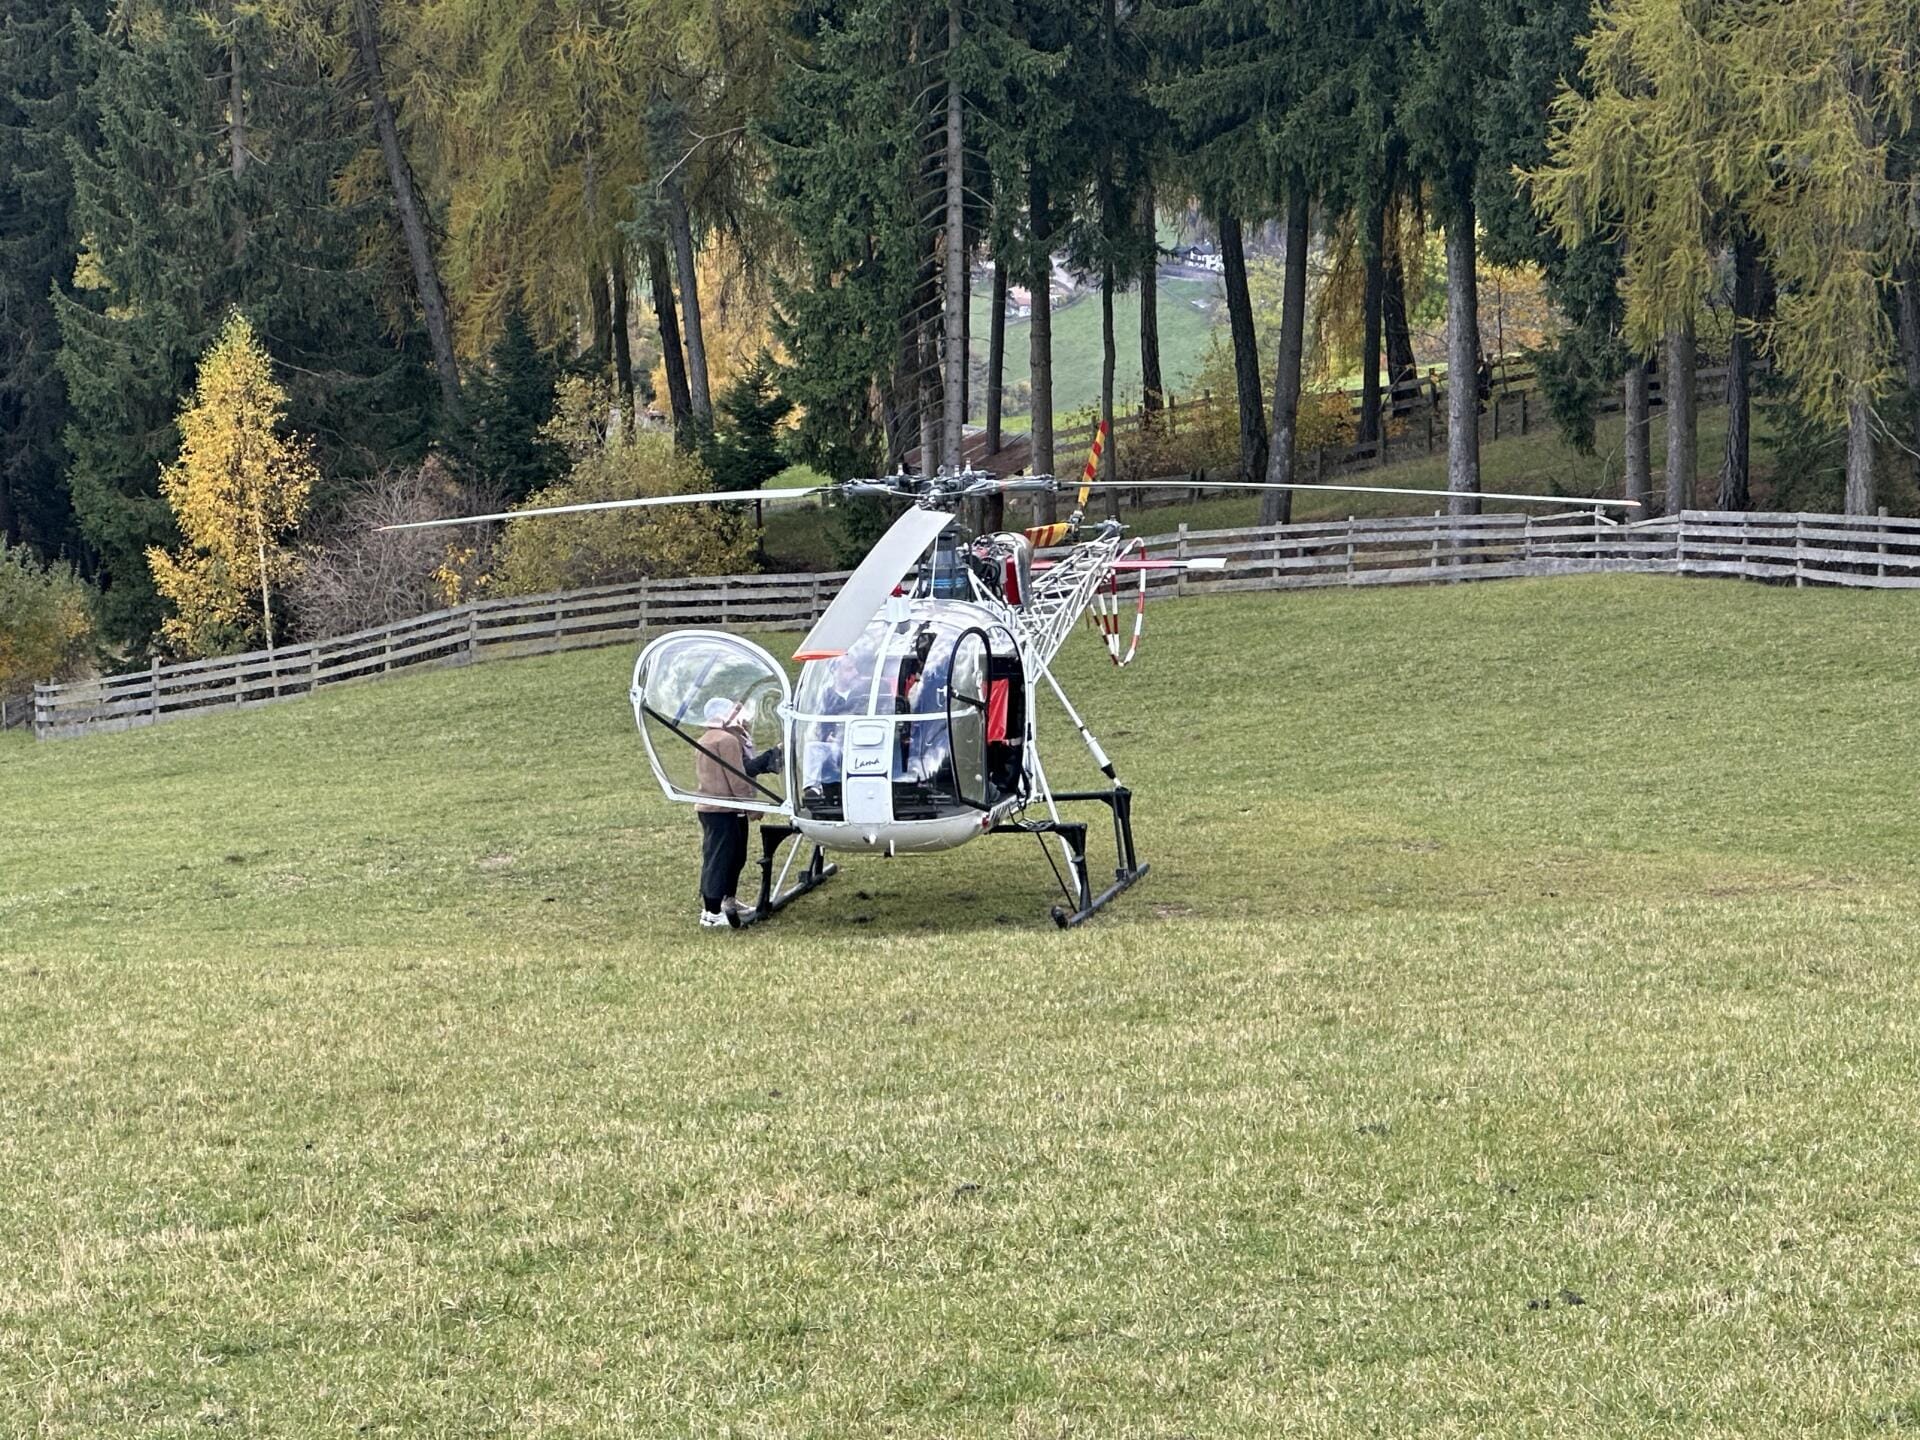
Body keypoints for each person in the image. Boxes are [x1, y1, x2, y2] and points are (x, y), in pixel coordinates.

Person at [693, 696, 781, 929]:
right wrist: (751, 807)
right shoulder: (727, 740)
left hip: (716, 809)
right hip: (723, 809)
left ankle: (727, 901)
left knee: (733, 856)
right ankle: (711, 912)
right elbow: (738, 778)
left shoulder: (710, 738)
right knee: (722, 859)